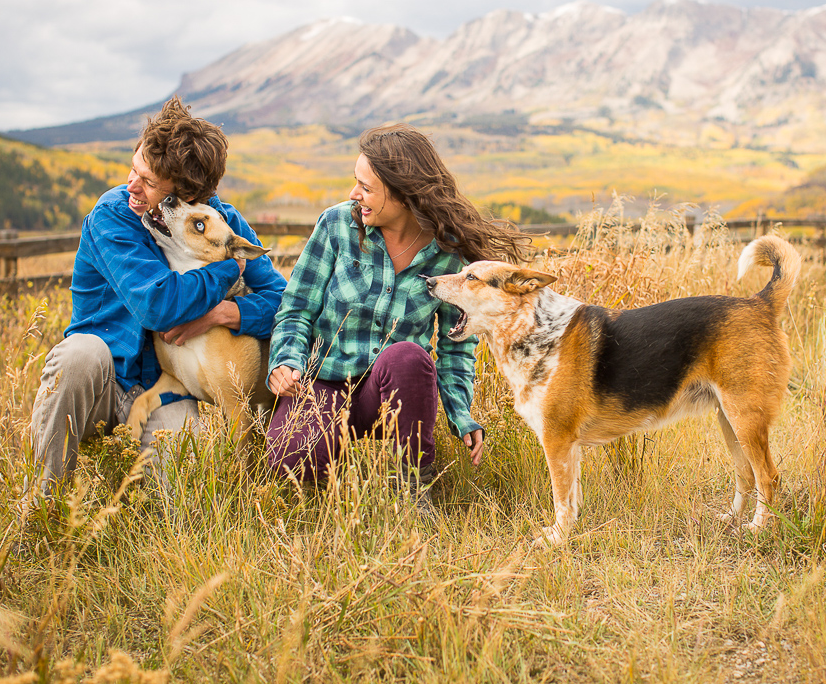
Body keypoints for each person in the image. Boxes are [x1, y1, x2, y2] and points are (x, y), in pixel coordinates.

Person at [30, 97, 287, 497]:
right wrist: (227, 269)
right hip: (106, 379)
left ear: (186, 196)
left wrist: (225, 313)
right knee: (77, 356)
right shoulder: (112, 215)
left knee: (187, 490)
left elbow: (282, 300)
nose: (132, 186)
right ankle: (45, 503)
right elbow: (157, 306)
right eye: (134, 169)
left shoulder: (220, 222)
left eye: (148, 183)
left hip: (164, 387)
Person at [266, 124, 529, 487]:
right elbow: (296, 310)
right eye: (355, 181)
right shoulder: (337, 225)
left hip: (395, 392)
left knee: (408, 356)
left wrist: (460, 414)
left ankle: (412, 486)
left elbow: (457, 345)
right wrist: (286, 361)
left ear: (404, 195)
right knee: (291, 461)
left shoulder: (449, 254)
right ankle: (337, 471)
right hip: (324, 382)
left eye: (367, 187)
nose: (354, 193)